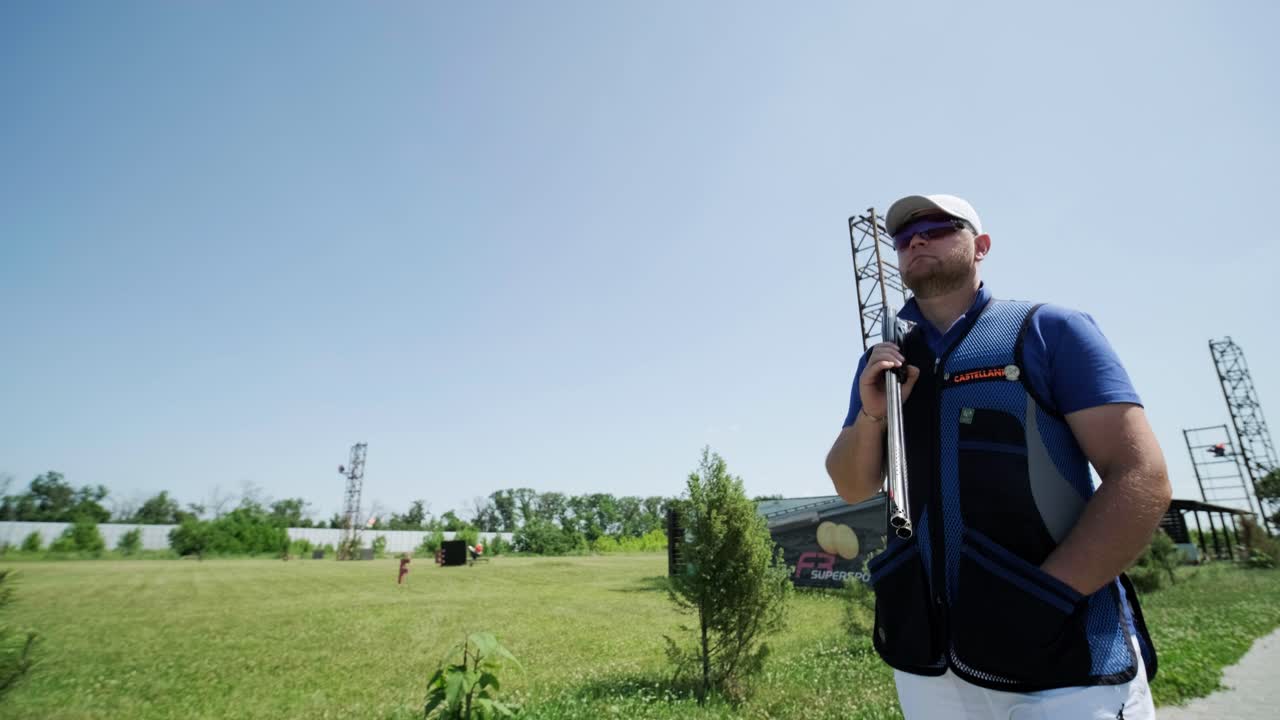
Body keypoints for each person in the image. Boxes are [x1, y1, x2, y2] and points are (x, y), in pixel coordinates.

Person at [825, 194, 1171, 718]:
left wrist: (1042, 601)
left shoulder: (1049, 330)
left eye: (939, 227)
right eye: (903, 236)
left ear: (980, 246)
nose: (916, 239)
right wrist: (874, 414)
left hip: (1064, 659)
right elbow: (851, 486)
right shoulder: (884, 362)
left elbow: (1141, 476)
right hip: (930, 668)